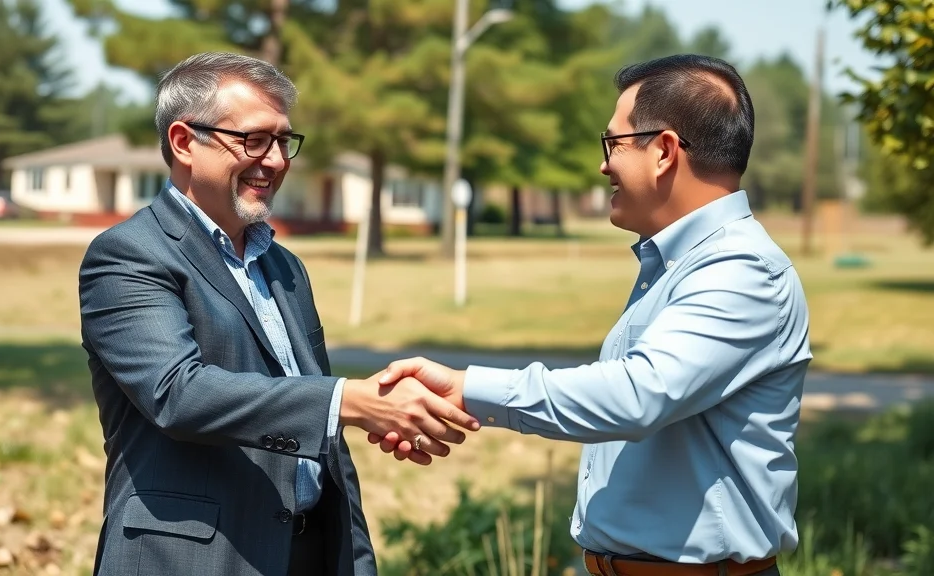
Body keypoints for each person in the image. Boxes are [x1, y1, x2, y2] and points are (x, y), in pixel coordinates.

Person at [373, 54, 811, 576]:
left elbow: (635, 397)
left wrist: (468, 388)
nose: (604, 165)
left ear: (665, 151)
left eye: (614, 144)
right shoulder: (682, 264)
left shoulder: (741, 269)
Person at [78, 52, 479, 576]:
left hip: (307, 551)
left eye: (283, 141)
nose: (276, 160)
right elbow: (178, 394)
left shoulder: (283, 264)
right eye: (253, 140)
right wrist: (348, 402)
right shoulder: (130, 254)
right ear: (183, 143)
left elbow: (304, 402)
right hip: (192, 557)